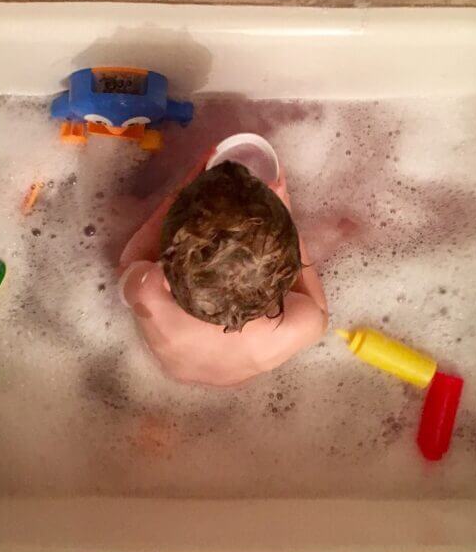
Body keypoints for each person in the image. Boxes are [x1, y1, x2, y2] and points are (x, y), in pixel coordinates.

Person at [119, 137, 328, 387]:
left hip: (175, 375)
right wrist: (286, 216)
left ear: (167, 268)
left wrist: (178, 195)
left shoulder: (148, 291)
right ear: (285, 275)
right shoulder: (289, 330)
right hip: (238, 379)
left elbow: (128, 261)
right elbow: (321, 315)